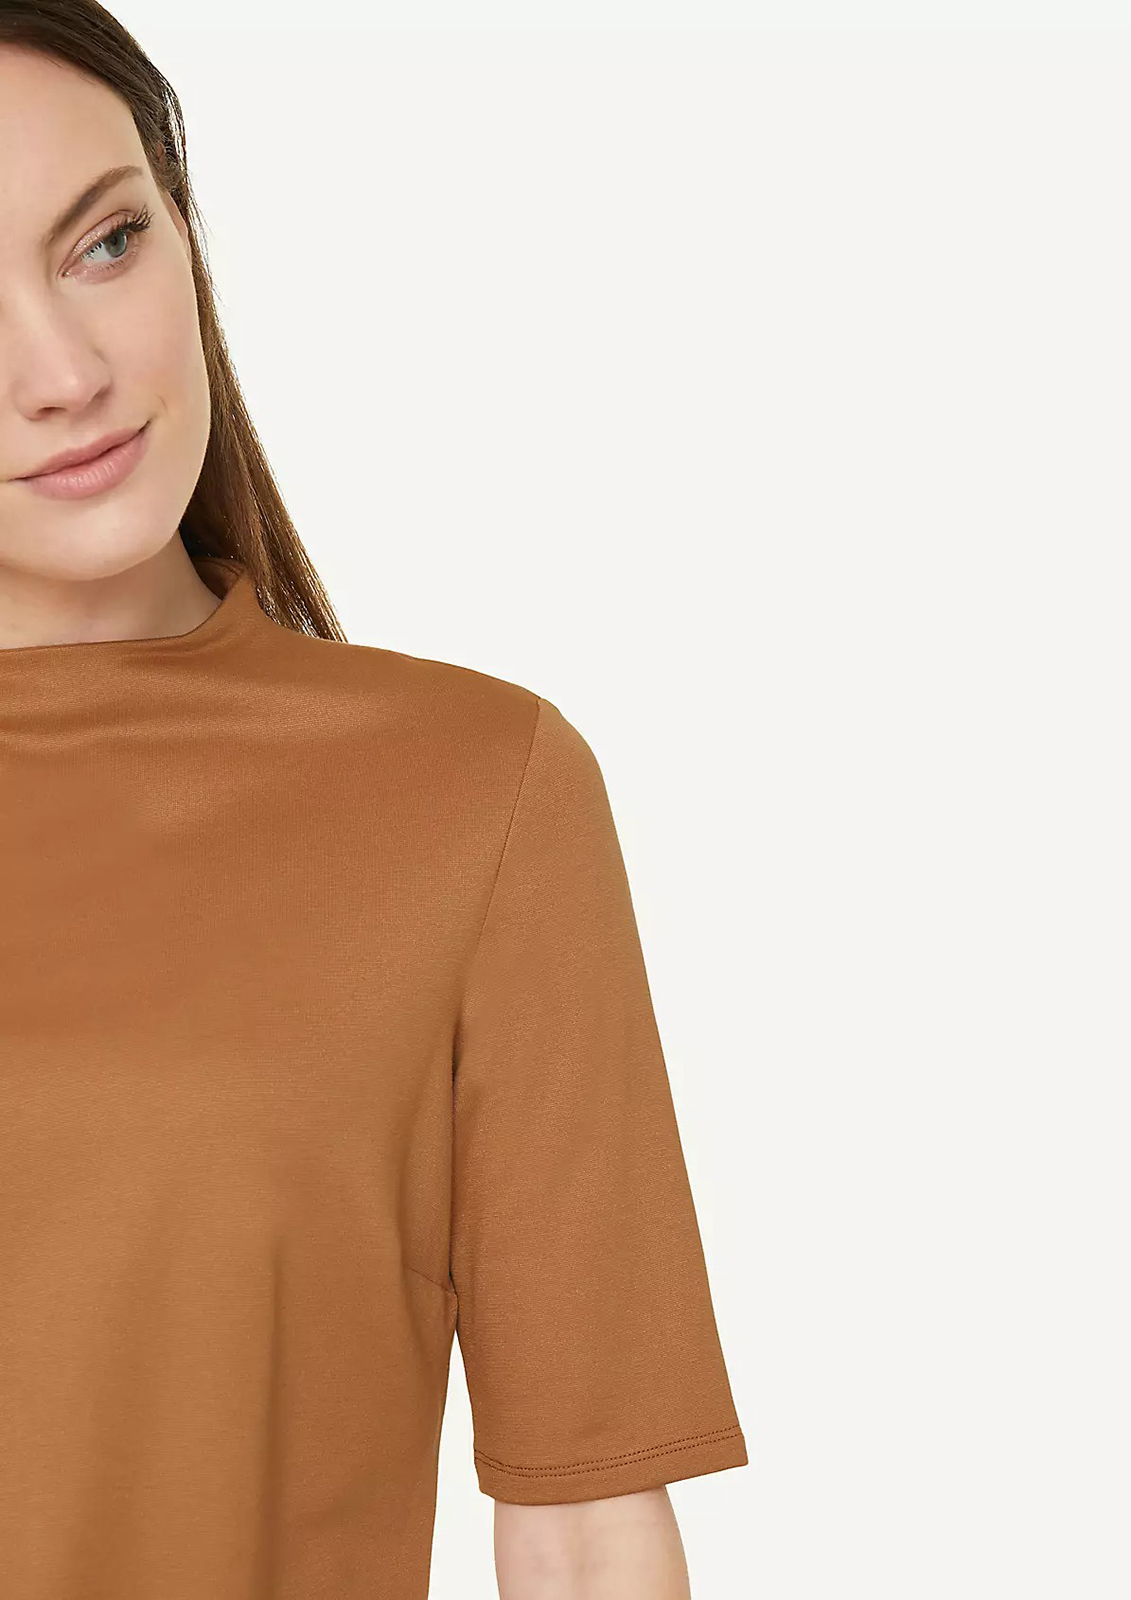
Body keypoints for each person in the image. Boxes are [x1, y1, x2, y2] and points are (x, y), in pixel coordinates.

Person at [0, 4, 748, 1597]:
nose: (62, 374)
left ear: (185, 236)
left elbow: (584, 1526)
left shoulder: (471, 799)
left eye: (106, 243)